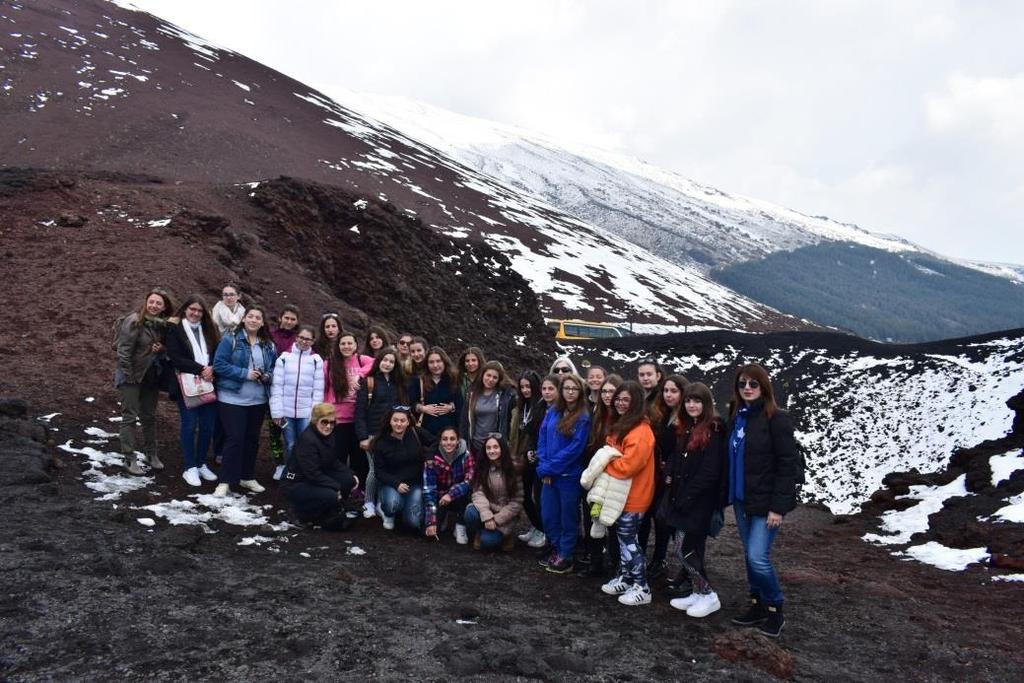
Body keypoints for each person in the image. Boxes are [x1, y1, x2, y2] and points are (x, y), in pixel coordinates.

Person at [726, 364, 799, 638]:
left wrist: (778, 508)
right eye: (743, 383)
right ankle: (757, 604)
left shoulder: (776, 419)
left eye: (753, 384)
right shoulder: (738, 417)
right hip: (743, 501)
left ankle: (775, 609)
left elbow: (786, 464)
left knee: (758, 557)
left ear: (764, 387)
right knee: (749, 556)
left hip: (767, 505)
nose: (747, 388)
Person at [658, 382, 726, 618]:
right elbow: (678, 459)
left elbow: (709, 472)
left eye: (697, 401)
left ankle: (708, 595)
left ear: (706, 403)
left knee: (683, 547)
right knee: (691, 548)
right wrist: (669, 476)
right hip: (683, 498)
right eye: (688, 400)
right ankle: (698, 591)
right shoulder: (688, 428)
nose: (692, 405)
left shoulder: (713, 430)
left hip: (698, 502)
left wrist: (686, 497)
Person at [598, 381, 657, 606]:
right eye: (619, 399)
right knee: (623, 539)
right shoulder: (623, 425)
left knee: (629, 539)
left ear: (636, 403)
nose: (621, 403)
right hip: (620, 494)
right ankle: (626, 577)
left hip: (635, 496)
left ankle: (642, 587)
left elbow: (627, 466)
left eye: (626, 400)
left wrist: (604, 464)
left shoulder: (641, 431)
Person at [212, 305, 277, 497]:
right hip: (232, 399)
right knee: (234, 438)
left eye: (258, 317)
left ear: (262, 322)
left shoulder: (268, 345)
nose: (254, 320)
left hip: (257, 400)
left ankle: (246, 476)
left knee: (252, 439)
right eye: (250, 316)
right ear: (243, 319)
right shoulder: (230, 340)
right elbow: (219, 365)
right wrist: (245, 374)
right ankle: (224, 481)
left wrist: (266, 376)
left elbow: (274, 369)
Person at [115, 288, 175, 475]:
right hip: (131, 376)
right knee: (130, 416)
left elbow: (167, 350)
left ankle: (151, 453)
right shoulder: (134, 321)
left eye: (159, 303)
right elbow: (123, 351)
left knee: (149, 416)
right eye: (152, 301)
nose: (154, 306)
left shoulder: (161, 325)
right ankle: (129, 457)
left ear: (164, 307)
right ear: (146, 302)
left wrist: (161, 348)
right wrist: (129, 376)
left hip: (151, 376)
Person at [536, 372, 591, 574]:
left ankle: (565, 554)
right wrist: (543, 465)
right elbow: (542, 438)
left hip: (568, 476)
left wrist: (548, 468)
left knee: (568, 517)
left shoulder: (583, 417)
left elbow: (574, 450)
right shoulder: (552, 411)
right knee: (549, 515)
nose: (569, 392)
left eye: (574, 389)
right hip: (548, 474)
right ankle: (558, 547)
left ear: (579, 392)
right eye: (566, 388)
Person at [165, 295, 221, 487]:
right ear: (185, 309)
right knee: (189, 425)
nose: (196, 313)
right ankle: (189, 467)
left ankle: (201, 463)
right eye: (192, 309)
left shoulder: (210, 330)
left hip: (209, 383)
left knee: (208, 427)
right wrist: (201, 369)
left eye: (199, 310)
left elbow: (216, 353)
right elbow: (175, 356)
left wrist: (212, 368)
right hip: (186, 384)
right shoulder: (175, 329)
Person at [640, 374, 690, 580]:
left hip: (675, 479)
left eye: (674, 391)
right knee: (657, 517)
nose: (668, 395)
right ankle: (658, 559)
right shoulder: (664, 414)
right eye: (666, 391)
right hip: (659, 476)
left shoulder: (686, 418)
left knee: (669, 523)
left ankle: (679, 569)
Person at [282, 404, 359, 530]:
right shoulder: (308, 440)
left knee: (348, 480)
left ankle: (328, 509)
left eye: (332, 422)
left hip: (315, 476)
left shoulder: (329, 435)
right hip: (296, 482)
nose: (328, 426)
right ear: (315, 420)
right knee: (331, 495)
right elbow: (312, 473)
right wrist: (336, 487)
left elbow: (333, 461)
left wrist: (351, 474)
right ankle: (300, 513)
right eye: (324, 422)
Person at [354, 346, 408, 517]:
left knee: (386, 468)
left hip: (390, 433)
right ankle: (368, 502)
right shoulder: (369, 382)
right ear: (379, 362)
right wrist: (363, 437)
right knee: (374, 469)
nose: (388, 364)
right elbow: (360, 412)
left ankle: (380, 501)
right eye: (385, 360)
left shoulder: (397, 384)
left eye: (392, 361)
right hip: (372, 433)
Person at [269, 324, 325, 479]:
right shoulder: (284, 358)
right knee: (291, 444)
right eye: (301, 337)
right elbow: (277, 387)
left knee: (307, 444)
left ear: (313, 341)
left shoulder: (316, 360)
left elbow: (318, 390)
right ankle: (293, 473)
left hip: (306, 413)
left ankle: (305, 473)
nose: (304, 341)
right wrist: (277, 412)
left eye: (308, 339)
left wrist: (314, 413)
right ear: (296, 337)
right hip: (286, 412)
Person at [581, 373, 623, 576]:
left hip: (613, 479)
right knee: (590, 519)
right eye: (604, 391)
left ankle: (615, 566)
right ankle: (595, 561)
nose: (607, 395)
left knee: (611, 523)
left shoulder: (623, 419)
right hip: (594, 475)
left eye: (611, 391)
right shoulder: (597, 414)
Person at [325, 332, 374, 486]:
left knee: (359, 458)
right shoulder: (329, 363)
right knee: (338, 456)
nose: (346, 346)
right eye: (343, 344)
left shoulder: (361, 359)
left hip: (358, 419)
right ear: (338, 346)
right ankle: (340, 488)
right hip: (338, 419)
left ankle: (359, 490)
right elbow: (324, 388)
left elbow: (376, 363)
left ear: (355, 345)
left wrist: (359, 374)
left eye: (349, 343)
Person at [373, 406, 433, 531]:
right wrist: (396, 484)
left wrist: (429, 456)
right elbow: (379, 472)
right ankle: (387, 511)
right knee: (393, 504)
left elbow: (435, 442)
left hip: (414, 484)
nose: (398, 424)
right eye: (395, 420)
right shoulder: (381, 443)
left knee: (413, 523)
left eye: (402, 420)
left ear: (408, 422)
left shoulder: (416, 432)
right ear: (390, 421)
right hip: (391, 484)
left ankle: (404, 510)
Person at [466, 435, 524, 551]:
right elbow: (478, 493)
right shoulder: (483, 466)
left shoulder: (514, 468)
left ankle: (507, 536)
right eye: (488, 448)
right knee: (470, 513)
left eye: (495, 447)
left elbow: (517, 502)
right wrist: (487, 516)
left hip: (505, 515)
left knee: (488, 542)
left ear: (502, 448)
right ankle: (480, 531)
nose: (492, 451)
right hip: (488, 510)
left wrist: (496, 519)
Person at [510, 370, 546, 549]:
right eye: (522, 386)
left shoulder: (541, 406)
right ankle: (536, 525)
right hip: (521, 456)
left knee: (536, 496)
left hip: (535, 457)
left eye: (528, 386)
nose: (525, 390)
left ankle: (543, 529)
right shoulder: (520, 407)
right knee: (523, 494)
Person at [423, 426, 475, 543]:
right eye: (445, 439)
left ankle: (460, 525)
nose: (448, 442)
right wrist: (431, 521)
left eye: (452, 439)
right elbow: (429, 490)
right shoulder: (432, 459)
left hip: (459, 497)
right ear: (440, 441)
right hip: (440, 498)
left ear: (458, 440)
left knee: (471, 494)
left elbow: (470, 481)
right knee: (428, 533)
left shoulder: (466, 455)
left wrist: (451, 494)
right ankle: (443, 517)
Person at [268, 304, 301, 472]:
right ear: (280, 318)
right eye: (286, 318)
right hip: (270, 386)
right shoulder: (270, 336)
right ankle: (279, 464)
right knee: (274, 428)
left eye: (293, 319)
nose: (289, 321)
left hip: (292, 390)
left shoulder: (299, 339)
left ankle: (293, 466)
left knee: (291, 431)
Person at [459, 360, 517, 455]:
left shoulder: (504, 396)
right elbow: (464, 421)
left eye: (495, 377)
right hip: (475, 445)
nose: (490, 380)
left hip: (494, 447)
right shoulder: (472, 394)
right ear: (482, 375)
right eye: (488, 375)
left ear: (499, 379)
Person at [410, 347, 462, 436]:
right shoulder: (418, 381)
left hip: (448, 433)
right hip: (426, 432)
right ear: (427, 364)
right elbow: (411, 403)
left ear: (444, 361)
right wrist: (422, 408)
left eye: (438, 361)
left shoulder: (453, 379)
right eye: (431, 362)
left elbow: (460, 404)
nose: (435, 365)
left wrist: (451, 407)